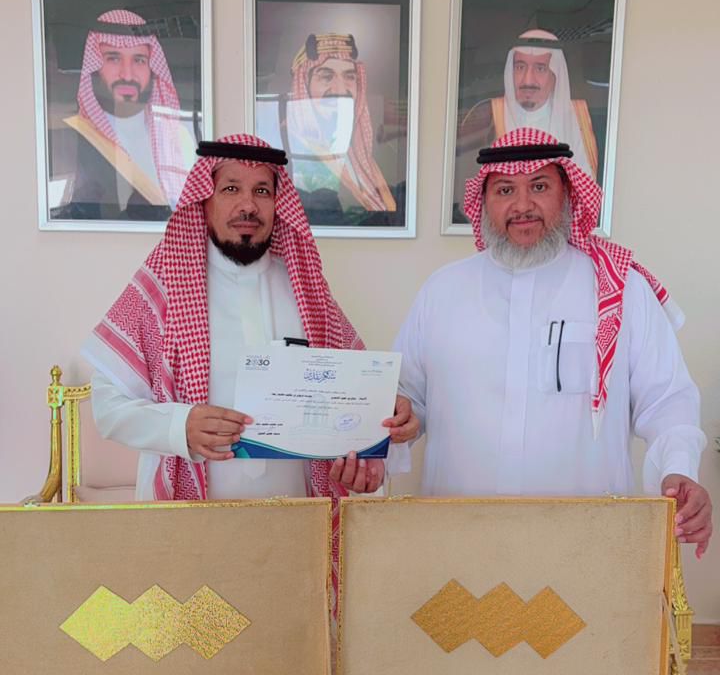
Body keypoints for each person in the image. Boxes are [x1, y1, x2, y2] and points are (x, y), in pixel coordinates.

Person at [395, 127, 712, 559]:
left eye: (539, 186)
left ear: (567, 194)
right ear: (483, 201)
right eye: (505, 190)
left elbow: (667, 400)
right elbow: (409, 398)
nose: (522, 205)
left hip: (584, 547)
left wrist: (679, 470)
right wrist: (401, 420)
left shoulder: (620, 290)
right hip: (460, 542)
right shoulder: (442, 291)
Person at [82, 133, 416, 510]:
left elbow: (354, 393)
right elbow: (108, 405)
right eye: (230, 189)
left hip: (295, 516)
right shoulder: (162, 287)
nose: (248, 205)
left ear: (277, 202)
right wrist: (179, 426)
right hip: (190, 521)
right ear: (204, 199)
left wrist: (389, 416)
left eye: (261, 191)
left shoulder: (306, 289)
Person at [52, 7, 197, 221]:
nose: (127, 75)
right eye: (113, 58)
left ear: (152, 67)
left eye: (139, 60)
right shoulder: (72, 132)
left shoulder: (179, 136)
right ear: (95, 65)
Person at [455, 31, 598, 209]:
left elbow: (584, 195)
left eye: (540, 68)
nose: (528, 80)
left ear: (555, 74)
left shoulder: (577, 118)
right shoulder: (488, 114)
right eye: (520, 67)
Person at [287, 33, 397, 218]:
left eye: (349, 77)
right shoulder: (292, 151)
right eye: (326, 76)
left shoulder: (380, 151)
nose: (341, 89)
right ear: (304, 85)